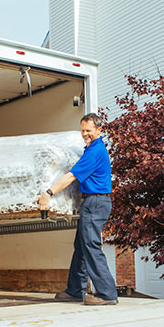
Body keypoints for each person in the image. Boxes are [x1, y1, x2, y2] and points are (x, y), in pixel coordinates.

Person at [36, 113, 117, 306]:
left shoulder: (95, 151)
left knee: (91, 246)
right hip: (92, 202)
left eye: (89, 130)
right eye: (83, 130)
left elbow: (71, 176)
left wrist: (48, 192)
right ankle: (74, 290)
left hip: (96, 203)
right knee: (81, 247)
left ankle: (107, 293)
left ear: (99, 130)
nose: (85, 134)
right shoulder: (90, 149)